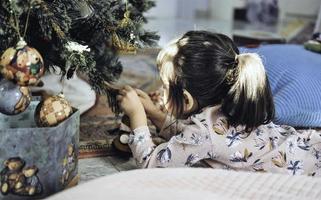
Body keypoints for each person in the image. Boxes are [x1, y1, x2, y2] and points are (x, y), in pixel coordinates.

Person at [117, 31, 321, 176]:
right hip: (308, 147)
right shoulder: (225, 107)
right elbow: (187, 138)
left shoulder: (205, 134)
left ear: (186, 100)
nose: (161, 92)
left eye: (165, 87)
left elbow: (151, 165)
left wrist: (137, 117)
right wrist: (153, 113)